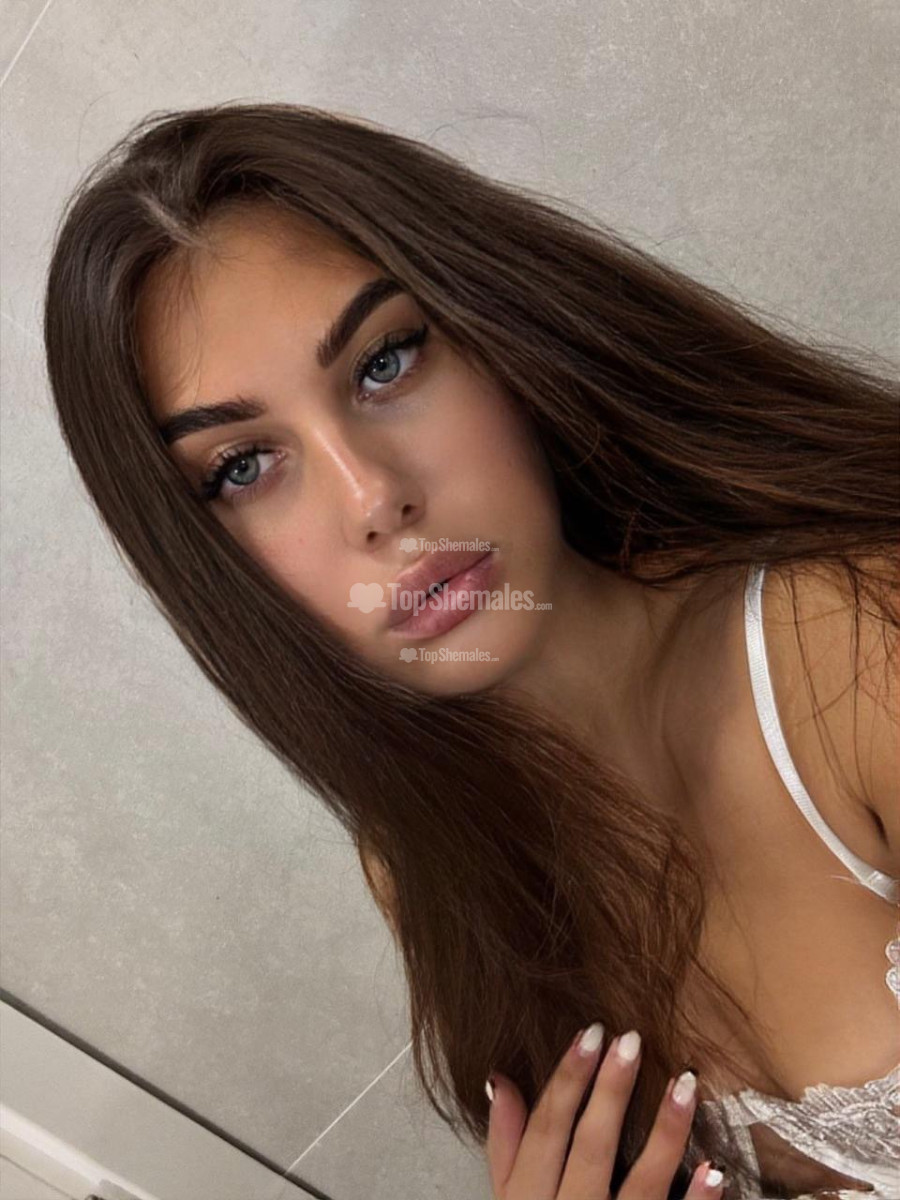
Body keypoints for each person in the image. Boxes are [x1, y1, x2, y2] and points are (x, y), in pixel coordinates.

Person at [42, 101, 899, 1200]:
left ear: (499, 333)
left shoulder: (854, 638)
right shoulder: (426, 863)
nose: (374, 498)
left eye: (385, 362)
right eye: (243, 468)